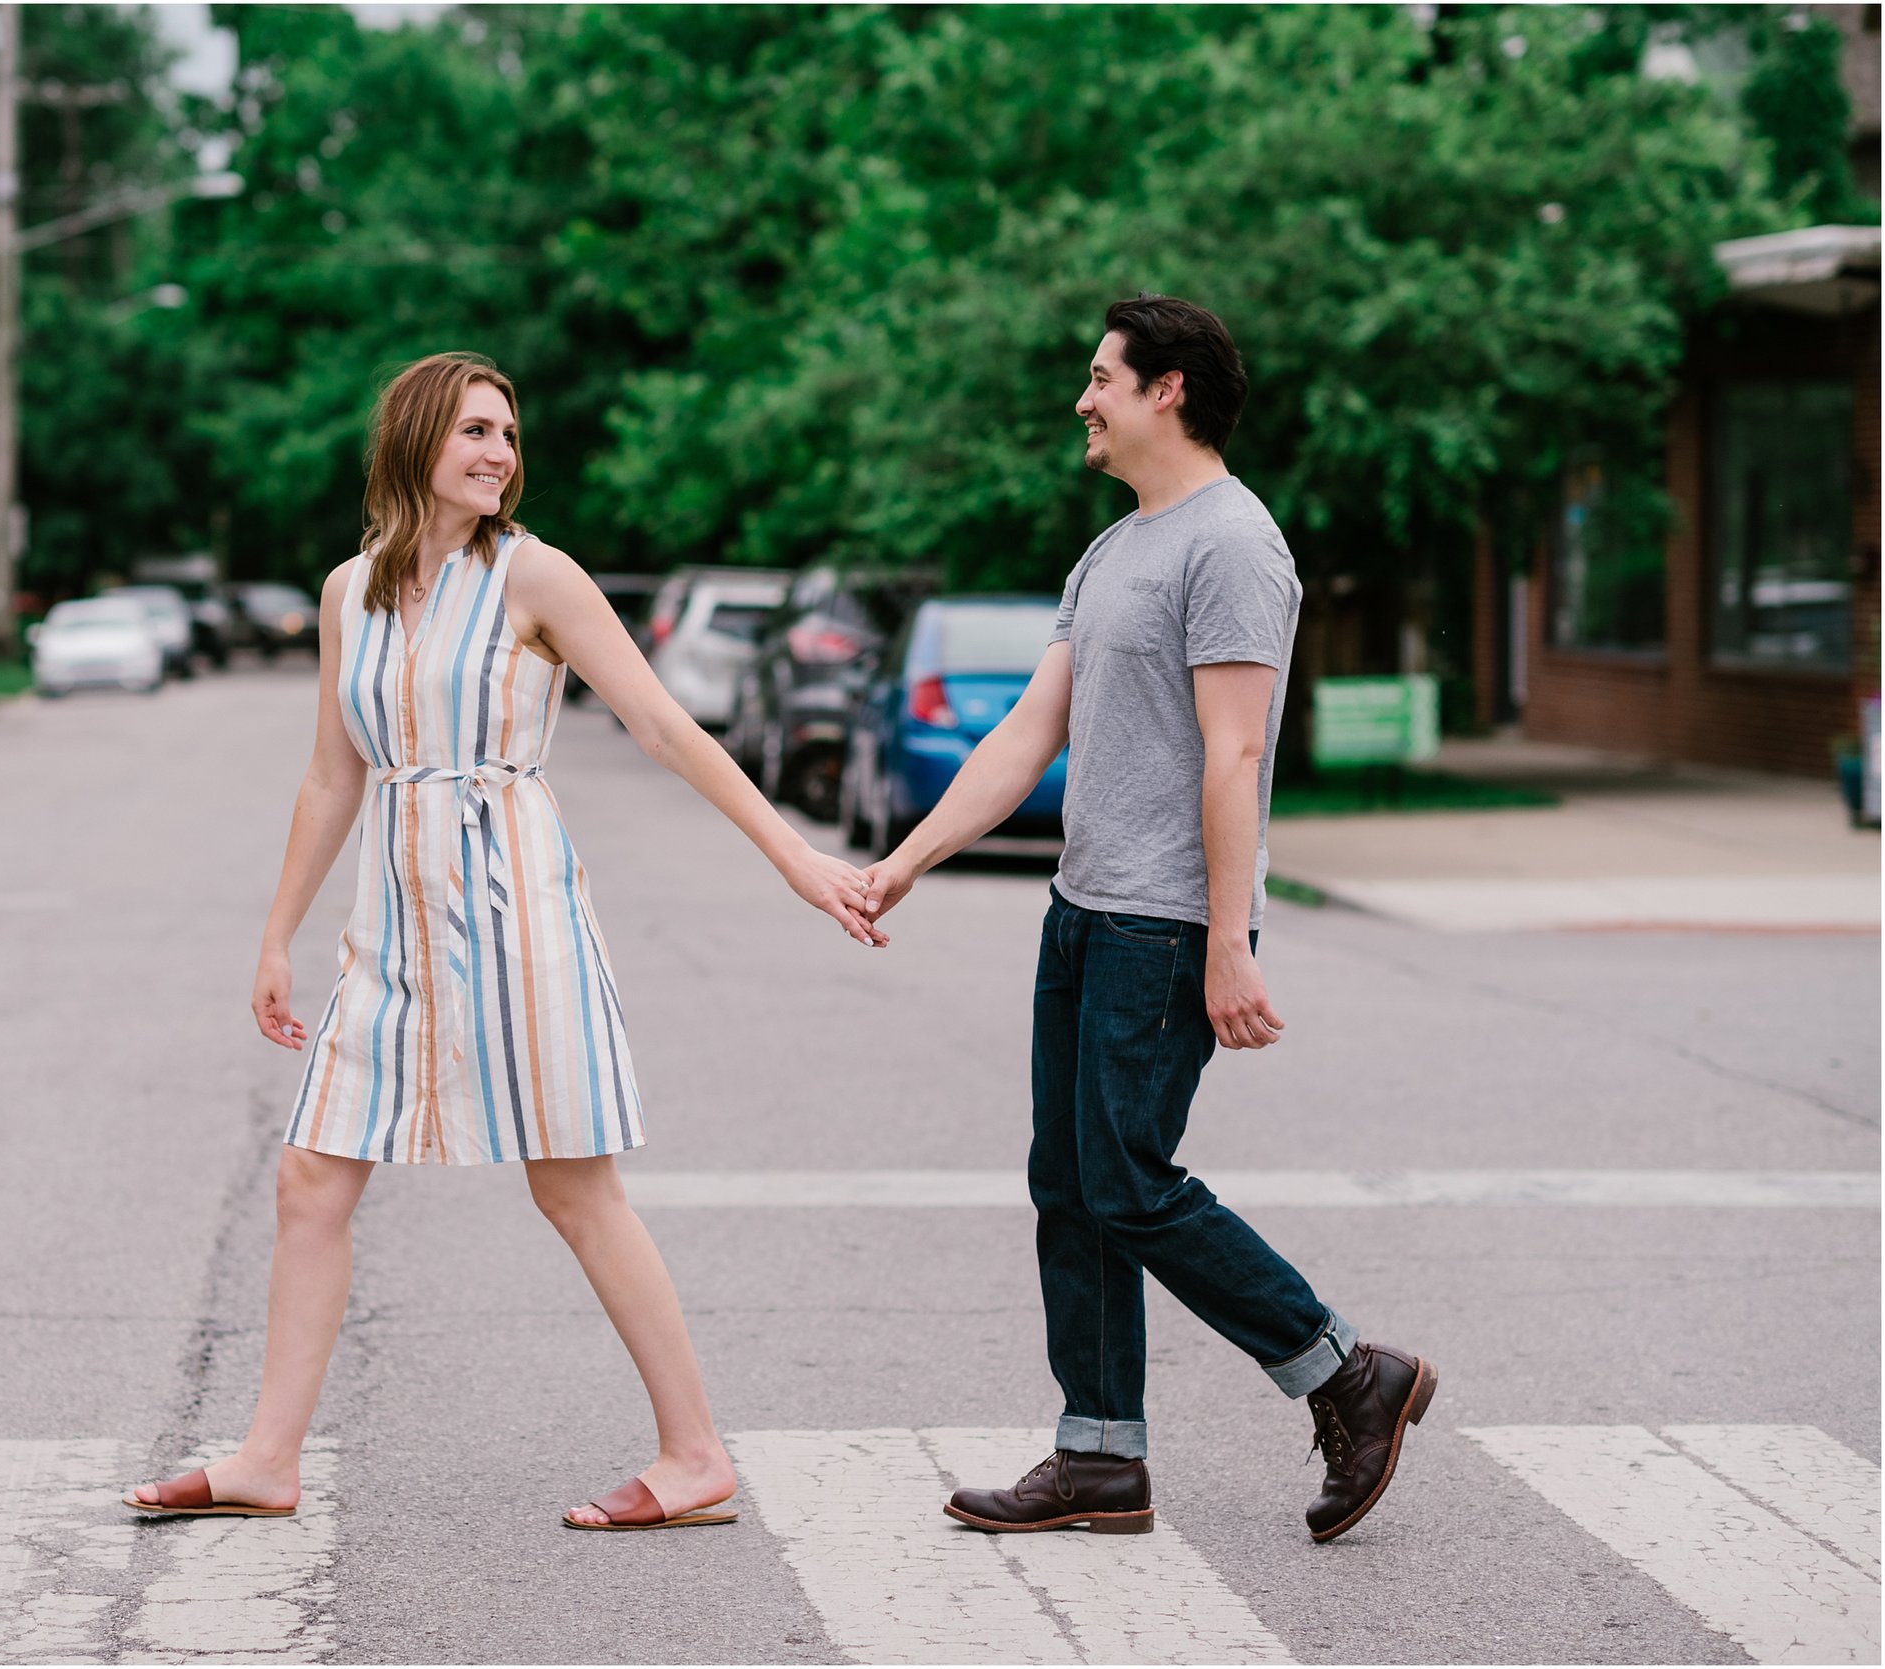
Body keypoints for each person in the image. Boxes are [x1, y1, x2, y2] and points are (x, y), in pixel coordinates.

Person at [123, 351, 883, 1532]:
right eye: (476, 430)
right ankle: (271, 1456)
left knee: (574, 1188)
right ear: (416, 440)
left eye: (509, 435)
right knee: (310, 1175)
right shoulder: (348, 593)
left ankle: (694, 1453)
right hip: (391, 922)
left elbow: (663, 726)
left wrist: (792, 858)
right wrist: (276, 934)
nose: (498, 453)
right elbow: (333, 774)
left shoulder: (537, 577)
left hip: (515, 907)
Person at [859, 296, 1436, 1544]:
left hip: (1164, 925)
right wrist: (908, 855)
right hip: (1084, 912)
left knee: (1127, 1178)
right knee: (1067, 1182)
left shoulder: (1232, 545)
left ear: (1166, 389)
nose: (1083, 399)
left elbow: (1237, 756)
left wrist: (1228, 938)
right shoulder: (1115, 547)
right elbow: (1027, 733)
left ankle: (1343, 1370)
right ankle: (1099, 1455)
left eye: (1100, 377)